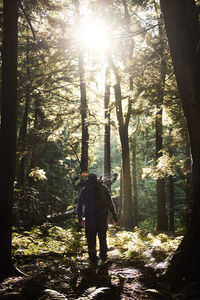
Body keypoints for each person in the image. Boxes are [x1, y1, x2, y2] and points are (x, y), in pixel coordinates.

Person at [77, 173, 118, 265]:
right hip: (102, 219)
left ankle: (93, 260)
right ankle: (103, 258)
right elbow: (110, 204)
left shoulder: (85, 190)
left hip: (90, 219)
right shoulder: (104, 189)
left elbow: (79, 206)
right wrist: (115, 217)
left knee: (91, 240)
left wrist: (80, 218)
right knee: (102, 238)